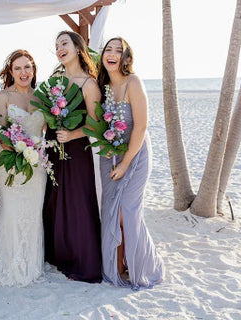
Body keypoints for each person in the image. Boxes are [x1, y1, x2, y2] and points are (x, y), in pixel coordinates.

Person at [97, 37, 164, 290]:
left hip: (135, 156)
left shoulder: (133, 83)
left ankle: (141, 265)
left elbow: (142, 126)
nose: (112, 54)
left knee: (127, 211)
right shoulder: (101, 86)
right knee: (112, 211)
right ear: (102, 56)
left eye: (118, 50)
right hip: (109, 157)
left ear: (126, 58)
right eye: (108, 50)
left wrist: (125, 163)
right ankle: (118, 265)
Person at [42, 31, 103, 283]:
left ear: (78, 48)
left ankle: (82, 260)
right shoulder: (54, 81)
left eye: (64, 43)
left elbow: (96, 124)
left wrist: (74, 134)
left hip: (77, 151)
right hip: (54, 149)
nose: (59, 49)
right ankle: (59, 255)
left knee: (77, 202)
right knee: (55, 201)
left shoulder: (89, 83)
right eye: (56, 46)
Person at [0, 50, 45, 287]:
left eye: (27, 67)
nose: (24, 72)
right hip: (9, 163)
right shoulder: (3, 96)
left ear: (33, 70)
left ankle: (32, 266)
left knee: (33, 216)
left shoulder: (42, 97)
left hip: (37, 165)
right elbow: (0, 131)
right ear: (10, 72)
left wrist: (33, 153)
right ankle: (11, 267)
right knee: (11, 214)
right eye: (18, 68)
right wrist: (19, 150)